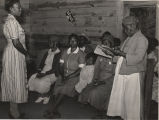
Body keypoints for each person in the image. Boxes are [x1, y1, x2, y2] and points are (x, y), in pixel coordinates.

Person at [107, 16, 148, 120]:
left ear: (133, 26)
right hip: (125, 72)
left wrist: (121, 53)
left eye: (126, 28)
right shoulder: (128, 39)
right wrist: (113, 52)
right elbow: (122, 54)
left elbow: (138, 58)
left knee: (133, 103)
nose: (125, 31)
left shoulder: (142, 39)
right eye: (124, 28)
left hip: (134, 74)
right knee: (125, 101)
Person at [1, 0, 31, 118]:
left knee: (13, 82)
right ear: (11, 9)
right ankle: (14, 113)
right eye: (18, 7)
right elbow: (16, 42)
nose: (20, 9)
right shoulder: (12, 21)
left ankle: (13, 111)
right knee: (14, 82)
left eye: (20, 7)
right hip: (15, 53)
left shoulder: (11, 20)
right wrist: (26, 54)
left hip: (13, 53)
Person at [43, 33, 85, 118]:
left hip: (74, 76)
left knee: (63, 89)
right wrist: (62, 76)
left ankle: (51, 110)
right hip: (64, 74)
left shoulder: (81, 54)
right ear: (69, 41)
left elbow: (80, 70)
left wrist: (68, 77)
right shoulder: (65, 51)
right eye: (71, 40)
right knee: (56, 89)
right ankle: (55, 111)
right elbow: (61, 65)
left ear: (77, 42)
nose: (72, 42)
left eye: (74, 41)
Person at [78, 32, 116, 117]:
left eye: (107, 44)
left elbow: (114, 75)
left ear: (111, 44)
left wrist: (102, 82)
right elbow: (96, 69)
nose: (104, 45)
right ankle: (94, 105)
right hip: (98, 79)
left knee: (94, 93)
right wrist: (95, 79)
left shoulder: (115, 57)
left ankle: (100, 111)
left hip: (108, 82)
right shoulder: (100, 56)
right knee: (84, 92)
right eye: (103, 43)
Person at [28, 37, 61, 104]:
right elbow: (42, 63)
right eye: (49, 42)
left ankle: (47, 96)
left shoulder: (59, 53)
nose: (49, 44)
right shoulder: (48, 52)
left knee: (42, 82)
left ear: (56, 43)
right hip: (44, 71)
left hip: (53, 73)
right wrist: (39, 71)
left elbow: (55, 68)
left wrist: (44, 74)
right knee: (33, 78)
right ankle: (41, 96)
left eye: (51, 42)